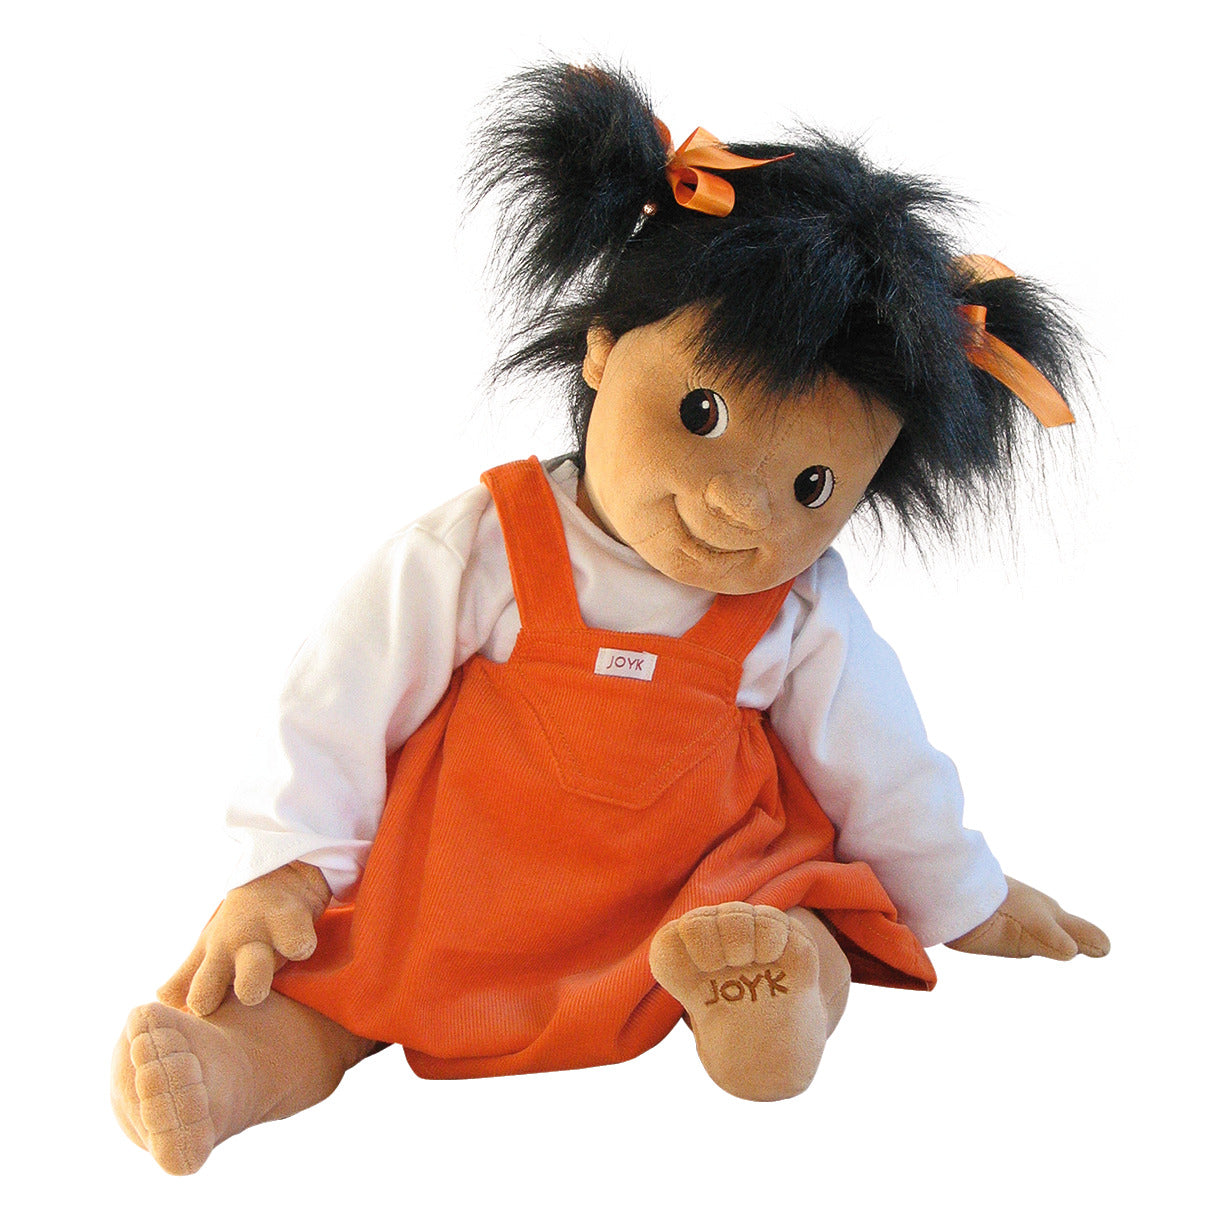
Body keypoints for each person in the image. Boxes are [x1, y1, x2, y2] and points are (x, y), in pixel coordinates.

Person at [111, 62, 1108, 1176]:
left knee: (807, 913)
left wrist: (966, 897)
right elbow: (341, 693)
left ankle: (771, 1002)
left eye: (812, 486)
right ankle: (228, 1072)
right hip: (466, 889)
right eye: (701, 412)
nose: (745, 511)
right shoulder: (484, 543)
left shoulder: (800, 603)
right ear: (601, 349)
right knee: (331, 975)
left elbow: (879, 756)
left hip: (699, 894)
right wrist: (286, 866)